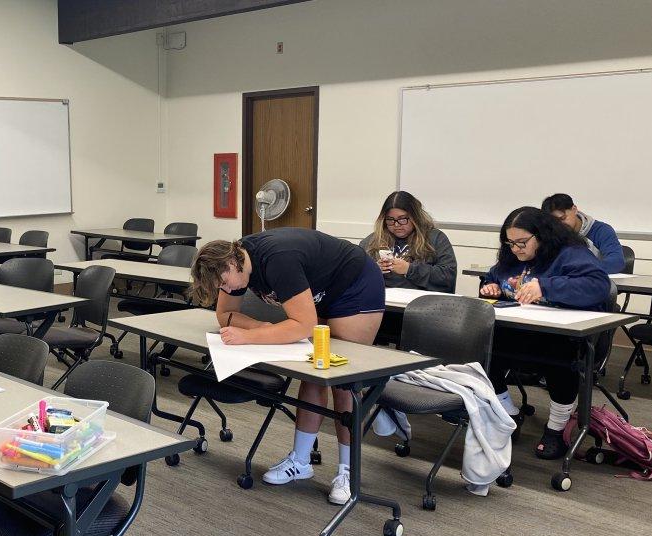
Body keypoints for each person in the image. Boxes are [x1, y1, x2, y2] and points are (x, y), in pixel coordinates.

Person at [189, 227, 385, 504]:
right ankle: (301, 461)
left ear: (233, 263)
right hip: (320, 290)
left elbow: (303, 325)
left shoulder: (278, 260)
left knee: (342, 379)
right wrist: (263, 327)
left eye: (225, 282)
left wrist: (249, 335)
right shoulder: (237, 265)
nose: (228, 289)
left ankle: (348, 471)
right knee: (313, 371)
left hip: (355, 285)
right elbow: (225, 315)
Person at [480, 207, 611, 460]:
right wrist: (491, 287)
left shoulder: (569, 254)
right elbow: (494, 276)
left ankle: (556, 428)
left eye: (522, 243)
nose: (515, 249)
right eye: (510, 243)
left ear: (542, 236)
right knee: (480, 346)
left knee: (558, 359)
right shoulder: (511, 257)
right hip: (522, 332)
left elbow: (598, 285)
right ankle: (508, 413)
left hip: (566, 338)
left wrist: (546, 286)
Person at [359, 191, 457, 292]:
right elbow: (355, 276)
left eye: (402, 219)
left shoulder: (435, 238)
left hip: (423, 304)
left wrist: (409, 270)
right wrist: (373, 271)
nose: (396, 225)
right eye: (390, 220)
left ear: (415, 217)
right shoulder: (371, 242)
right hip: (384, 302)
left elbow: (448, 277)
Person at [541, 193, 625, 274]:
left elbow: (617, 262)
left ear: (574, 209)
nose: (560, 225)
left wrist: (583, 271)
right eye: (555, 222)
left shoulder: (601, 231)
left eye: (563, 218)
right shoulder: (552, 235)